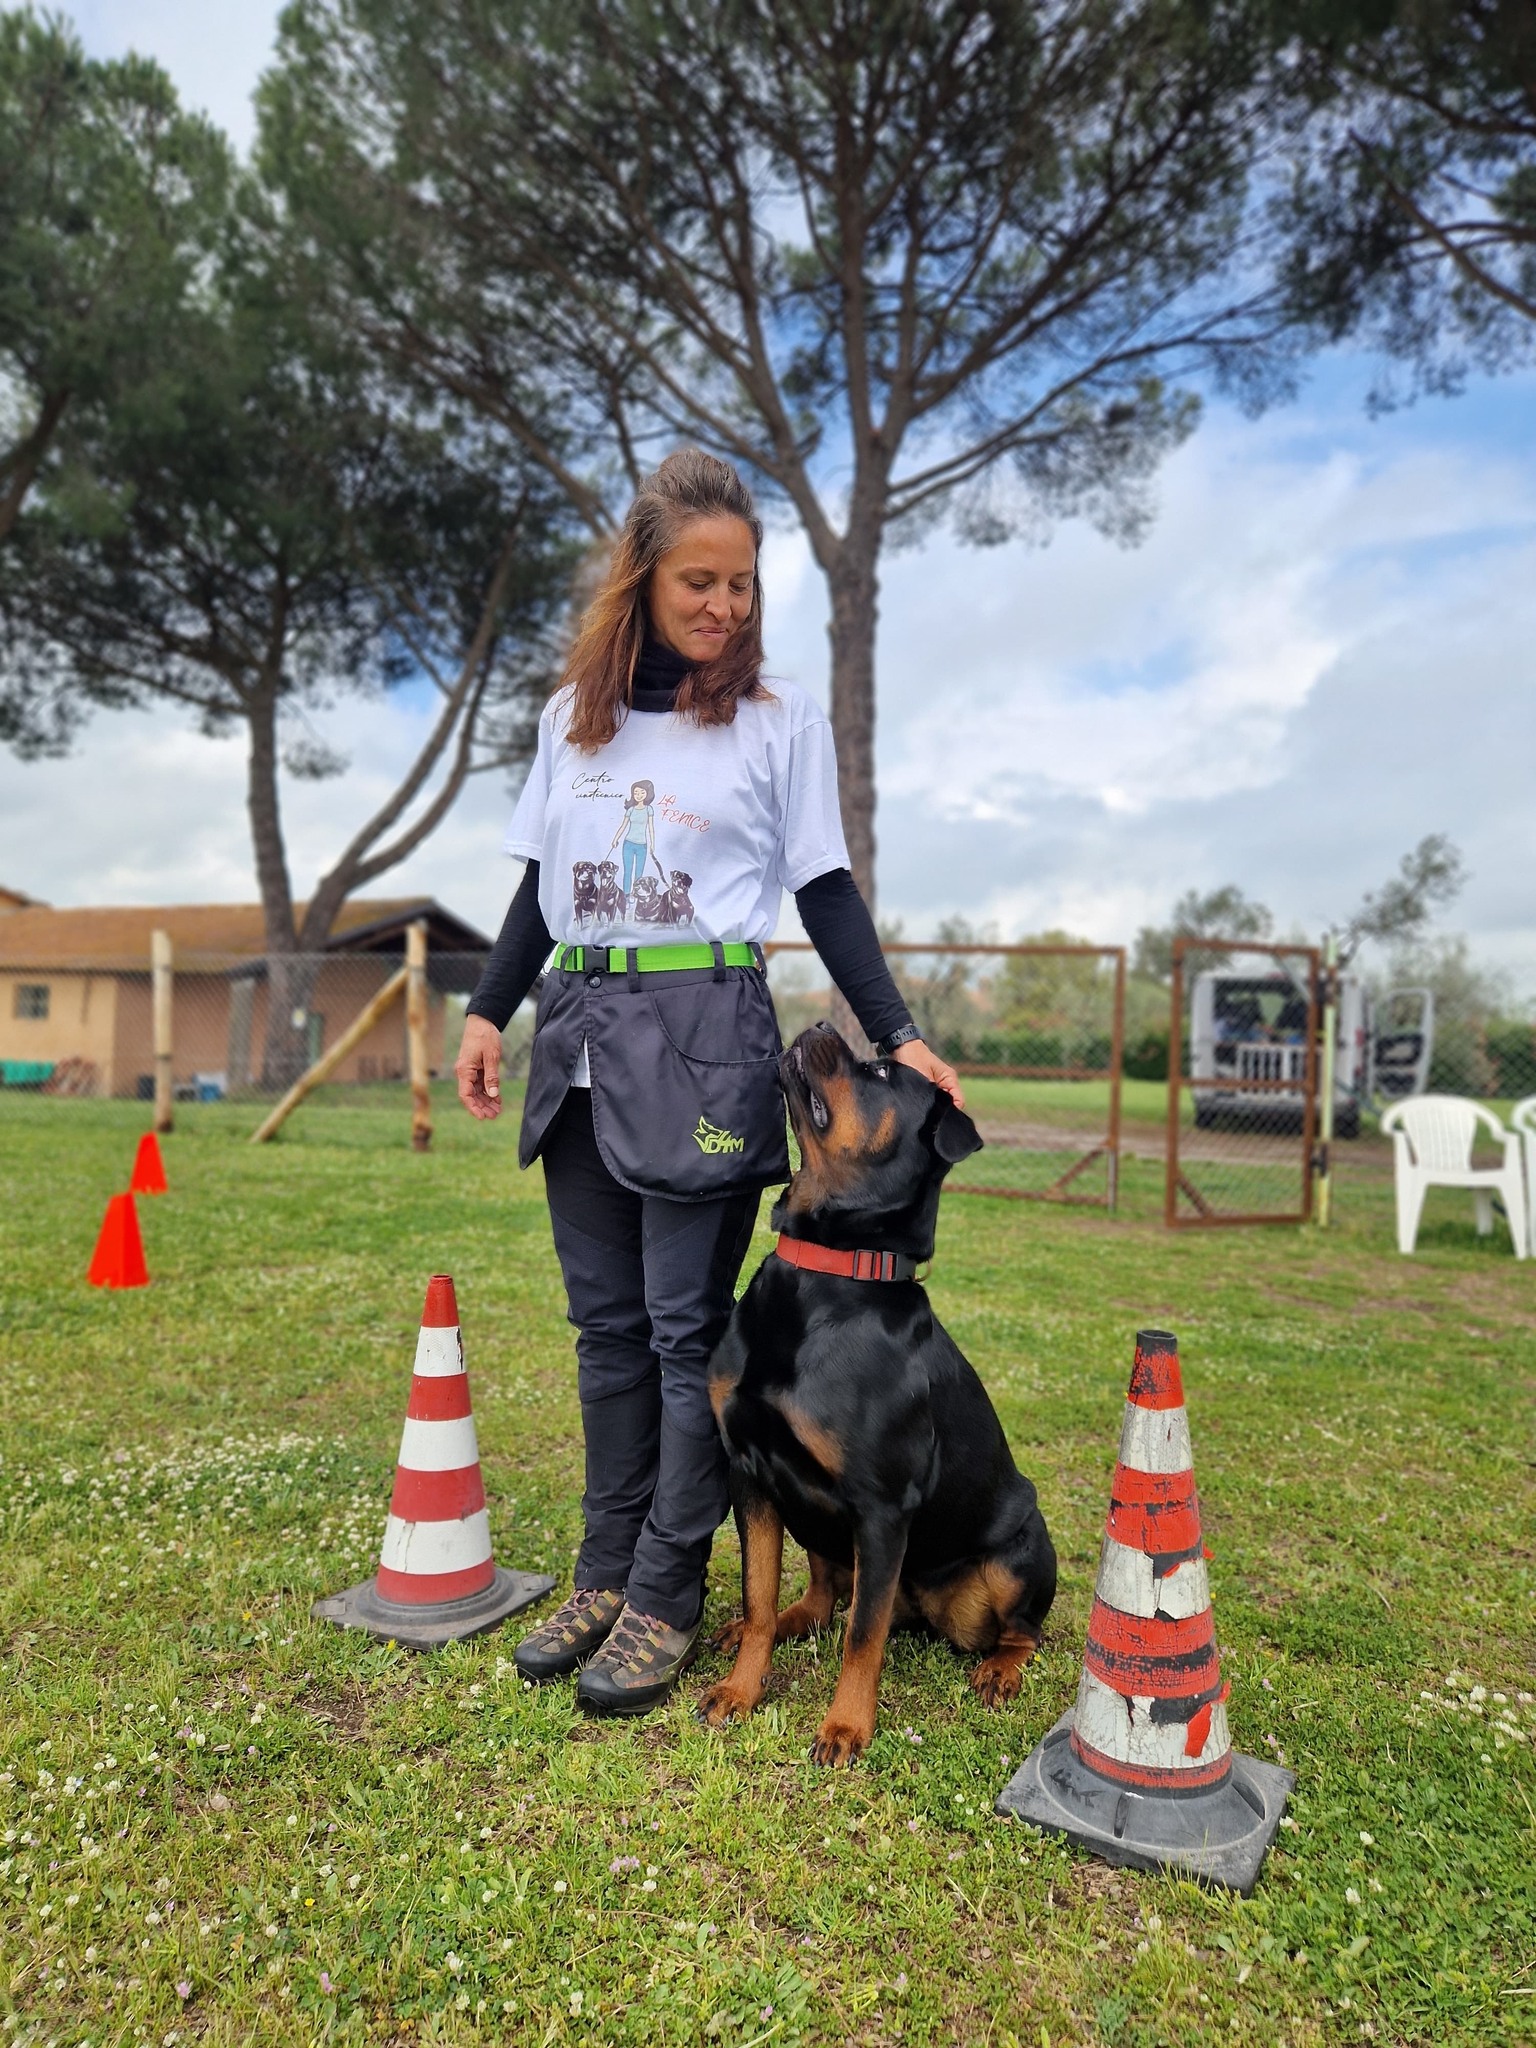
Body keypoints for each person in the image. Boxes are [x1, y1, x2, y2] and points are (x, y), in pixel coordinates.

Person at [455, 449, 960, 1717]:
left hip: (703, 1030)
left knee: (687, 1333)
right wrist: (486, 1008)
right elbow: (536, 889)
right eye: (701, 579)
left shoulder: (777, 719)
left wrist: (895, 1032)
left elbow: (824, 887)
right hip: (578, 1025)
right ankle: (603, 1566)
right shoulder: (573, 713)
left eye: (742, 583)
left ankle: (669, 1593)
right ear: (645, 574)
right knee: (606, 1330)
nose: (726, 604)